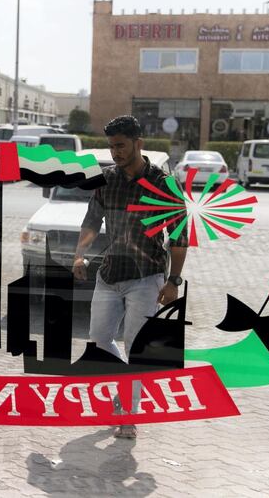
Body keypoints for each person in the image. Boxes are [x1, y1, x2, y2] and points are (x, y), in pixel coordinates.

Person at [72, 115, 188, 440]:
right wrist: (80, 253)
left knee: (134, 346)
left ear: (139, 143)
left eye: (121, 146)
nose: (115, 153)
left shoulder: (164, 185)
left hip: (146, 277)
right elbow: (92, 222)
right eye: (111, 147)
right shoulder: (106, 180)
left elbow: (179, 236)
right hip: (109, 274)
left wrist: (174, 281)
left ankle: (127, 416)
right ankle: (127, 386)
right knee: (98, 339)